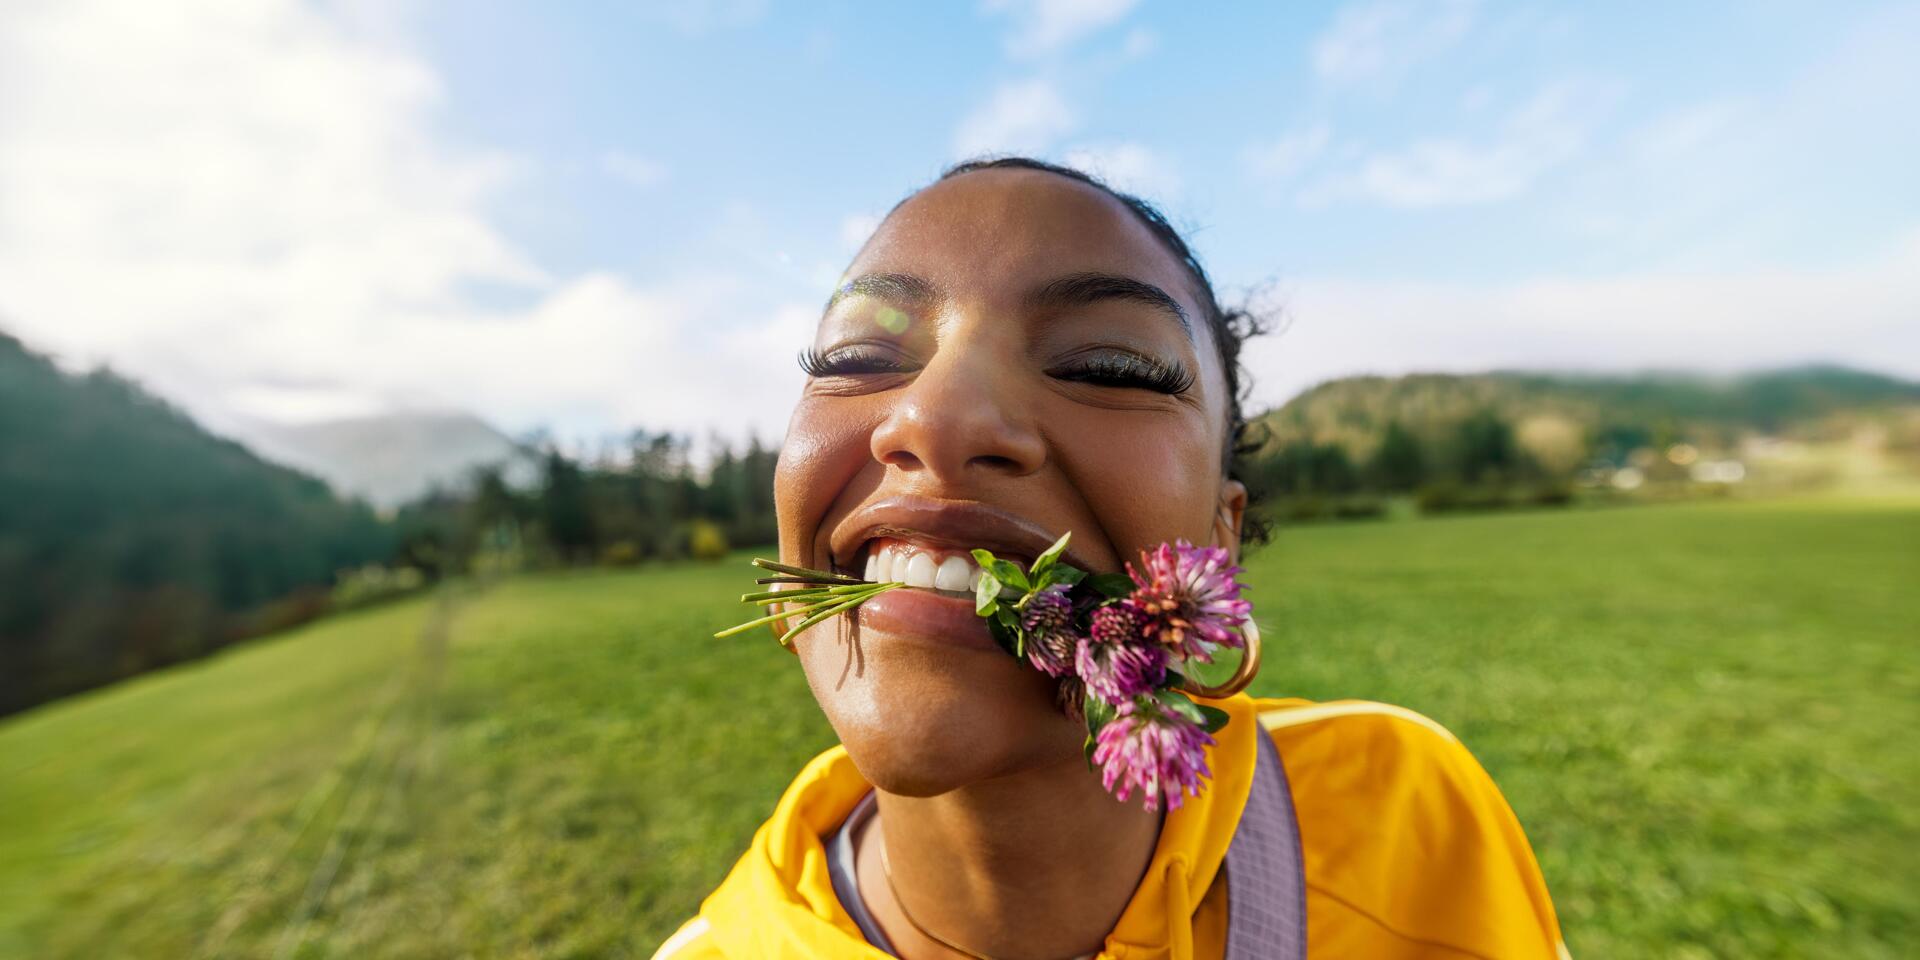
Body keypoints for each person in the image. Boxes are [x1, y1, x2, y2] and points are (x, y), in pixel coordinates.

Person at [653, 158, 1568, 959]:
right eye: (856, 356)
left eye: (1108, 368)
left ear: (1221, 537)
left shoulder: (1412, 818)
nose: (934, 417)